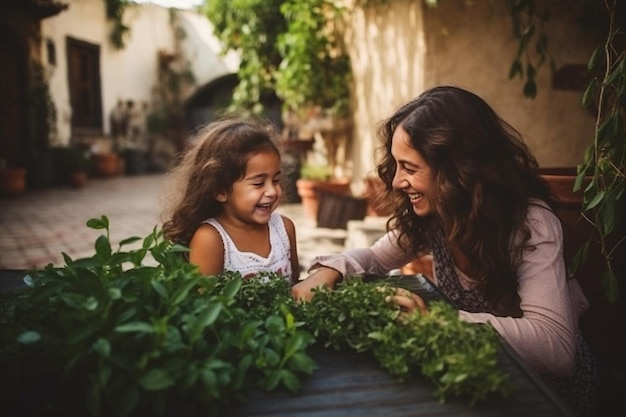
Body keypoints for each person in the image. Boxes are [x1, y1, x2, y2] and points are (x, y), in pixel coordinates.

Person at [292, 86, 597, 416]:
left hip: (543, 395)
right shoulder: (437, 216)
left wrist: (443, 320)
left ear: (457, 170)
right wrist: (329, 271)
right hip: (478, 376)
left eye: (409, 168)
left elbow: (555, 347)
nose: (395, 181)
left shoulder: (530, 223)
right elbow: (376, 258)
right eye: (396, 165)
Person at [161, 116, 300, 284]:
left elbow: (295, 286)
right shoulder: (211, 239)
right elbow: (204, 305)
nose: (272, 191)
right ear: (220, 189)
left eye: (276, 180)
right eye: (258, 183)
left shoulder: (284, 229)